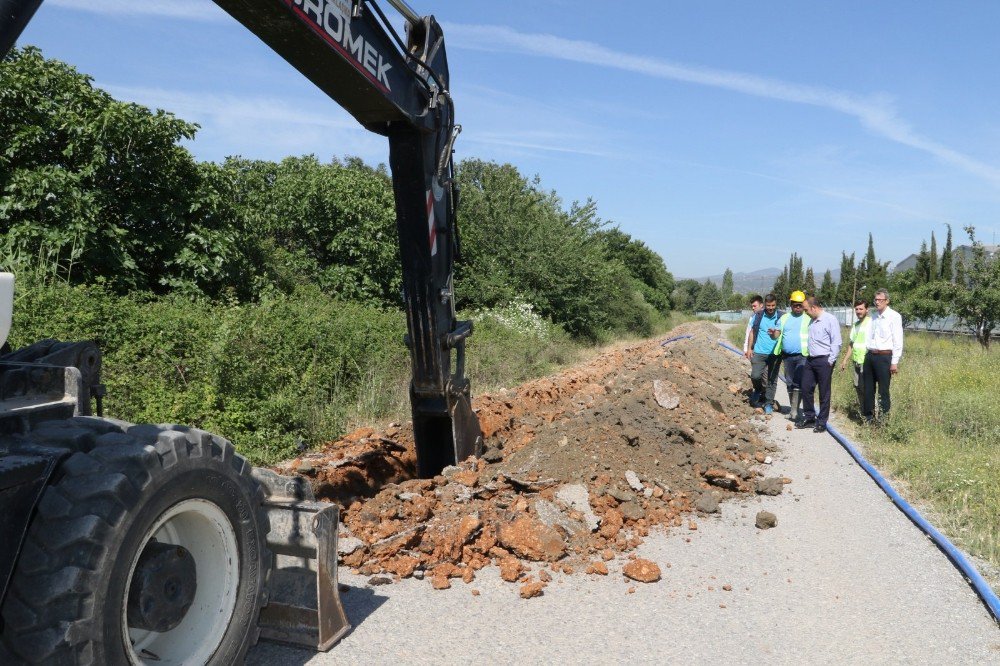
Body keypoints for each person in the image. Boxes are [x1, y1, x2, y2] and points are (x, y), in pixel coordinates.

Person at [796, 296, 842, 433]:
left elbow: (837, 341)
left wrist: (830, 360)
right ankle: (809, 417)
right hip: (811, 359)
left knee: (824, 392)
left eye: (806, 310)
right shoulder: (812, 320)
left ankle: (822, 422)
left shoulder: (829, 320)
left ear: (814, 308)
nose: (805, 312)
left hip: (824, 360)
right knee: (806, 388)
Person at [863, 288, 904, 423]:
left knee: (883, 390)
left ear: (887, 301)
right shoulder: (873, 316)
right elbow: (869, 336)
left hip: (884, 356)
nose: (877, 302)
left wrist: (894, 362)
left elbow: (898, 340)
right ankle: (868, 417)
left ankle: (883, 419)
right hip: (870, 355)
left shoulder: (894, 316)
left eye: (880, 300)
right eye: (875, 300)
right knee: (868, 388)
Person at [771, 290, 811, 421]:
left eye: (800, 305)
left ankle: (794, 411)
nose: (798, 307)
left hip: (803, 356)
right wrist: (772, 334)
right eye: (795, 305)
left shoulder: (808, 319)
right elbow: (776, 335)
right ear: (791, 304)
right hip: (787, 356)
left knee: (798, 382)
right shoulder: (784, 318)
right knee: (789, 383)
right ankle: (794, 408)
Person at [746, 294, 783, 414]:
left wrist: (774, 334)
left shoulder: (781, 317)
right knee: (755, 376)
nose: (771, 308)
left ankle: (768, 403)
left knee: (772, 380)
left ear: (776, 304)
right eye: (768, 306)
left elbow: (779, 334)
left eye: (773, 305)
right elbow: (752, 332)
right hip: (759, 351)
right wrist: (749, 348)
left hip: (775, 353)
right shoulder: (758, 316)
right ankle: (758, 389)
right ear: (764, 305)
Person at [839, 299, 871, 413]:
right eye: (856, 309)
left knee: (867, 389)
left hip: (866, 361)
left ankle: (871, 414)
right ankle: (864, 413)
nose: (858, 311)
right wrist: (845, 360)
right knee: (858, 387)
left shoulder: (871, 323)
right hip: (856, 361)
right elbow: (851, 344)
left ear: (867, 310)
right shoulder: (856, 325)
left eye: (861, 309)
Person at [743, 295, 764, 360]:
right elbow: (748, 333)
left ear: (761, 305)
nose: (753, 308)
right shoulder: (752, 318)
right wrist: (746, 349)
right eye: (752, 306)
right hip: (755, 351)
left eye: (754, 306)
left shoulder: (767, 317)